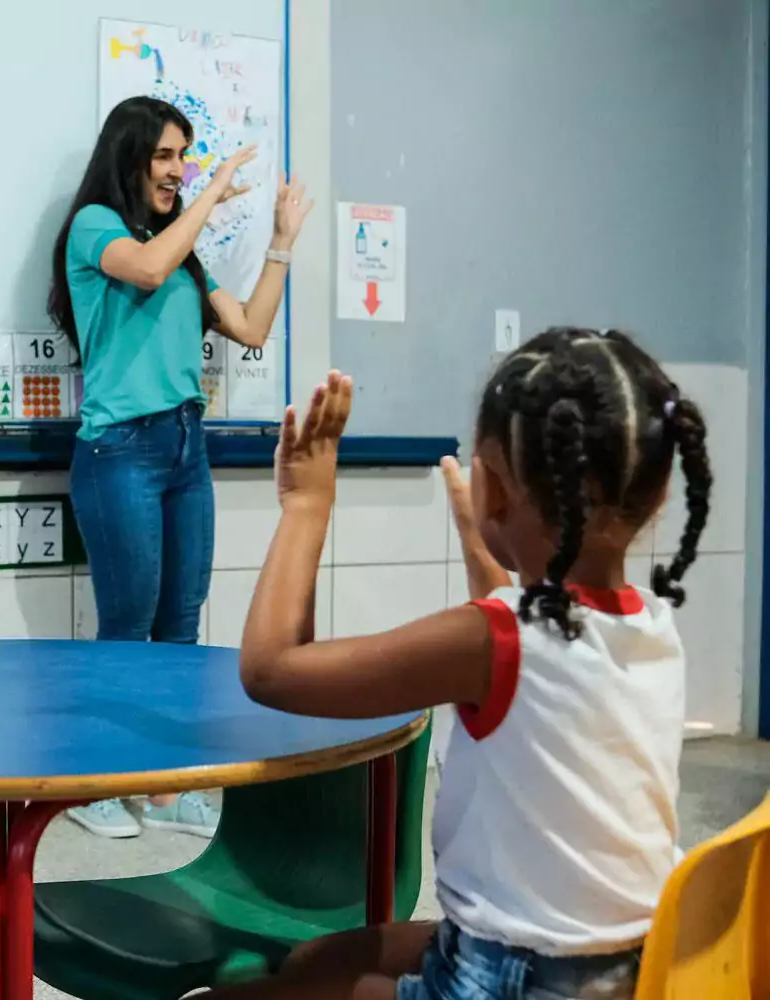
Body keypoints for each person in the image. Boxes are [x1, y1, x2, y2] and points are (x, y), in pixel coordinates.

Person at [216, 328, 711, 1000]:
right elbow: (531, 648)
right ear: (655, 497)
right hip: (627, 964)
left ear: (494, 491)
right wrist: (483, 538)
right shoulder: (647, 625)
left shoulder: (493, 639)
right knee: (315, 963)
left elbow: (270, 671)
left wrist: (305, 505)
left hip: (515, 976)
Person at [46, 95, 315, 839]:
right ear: (128, 157)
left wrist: (281, 242)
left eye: (184, 157)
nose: (177, 170)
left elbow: (250, 328)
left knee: (180, 627)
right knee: (127, 625)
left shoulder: (179, 252)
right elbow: (146, 268)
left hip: (184, 448)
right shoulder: (95, 227)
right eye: (164, 155)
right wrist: (210, 190)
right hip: (118, 451)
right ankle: (98, 786)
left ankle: (165, 790)